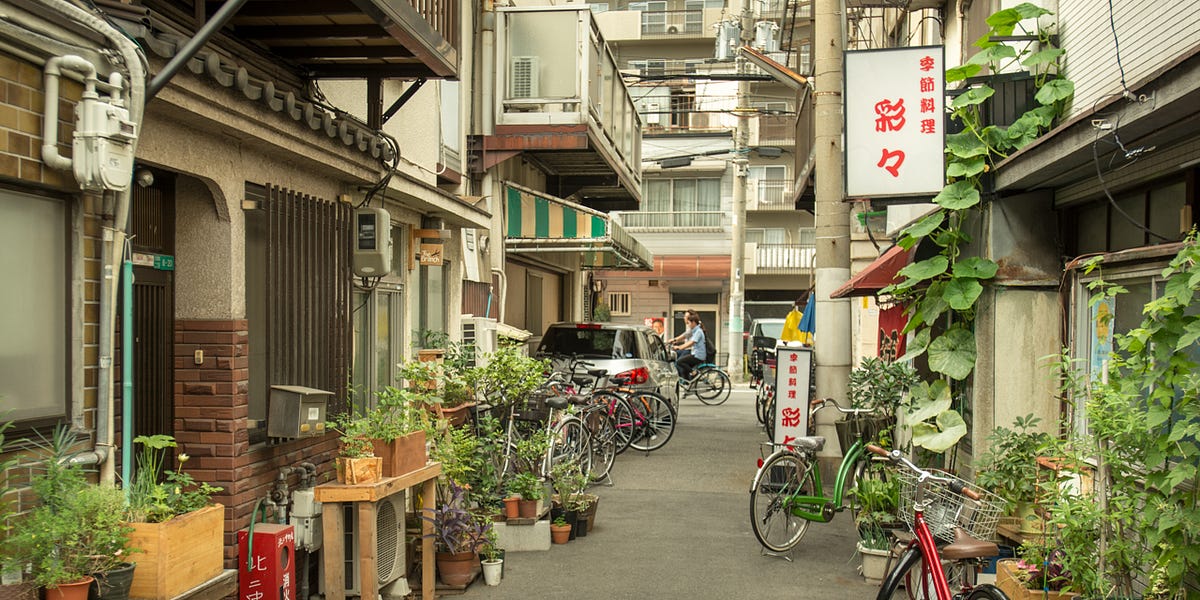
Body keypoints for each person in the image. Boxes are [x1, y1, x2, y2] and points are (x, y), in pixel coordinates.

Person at [672, 312, 707, 380]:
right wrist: (676, 342)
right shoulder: (695, 331)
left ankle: (694, 373)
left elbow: (691, 342)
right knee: (684, 368)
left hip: (698, 355)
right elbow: (686, 337)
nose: (688, 325)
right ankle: (688, 383)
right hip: (695, 354)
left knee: (679, 362)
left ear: (693, 322)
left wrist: (679, 347)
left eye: (689, 323)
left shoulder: (698, 331)